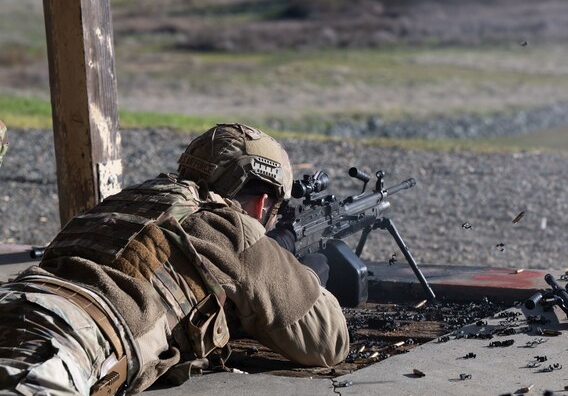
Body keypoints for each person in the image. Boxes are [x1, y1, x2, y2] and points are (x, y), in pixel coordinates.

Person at [0, 123, 349, 395]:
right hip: (63, 340)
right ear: (261, 205)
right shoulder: (233, 225)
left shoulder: (129, 199)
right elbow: (329, 342)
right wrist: (303, 273)